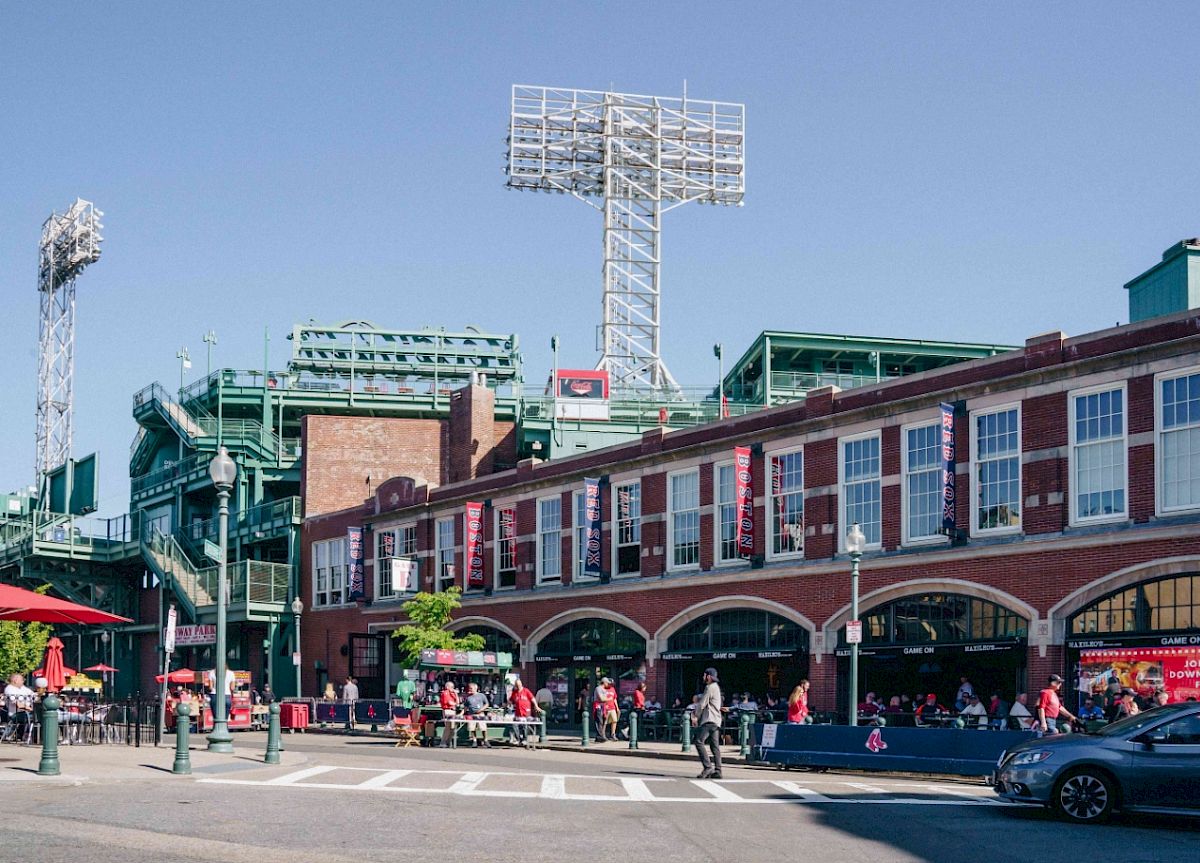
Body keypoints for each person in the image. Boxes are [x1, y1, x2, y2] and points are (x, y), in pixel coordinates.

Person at [693, 667, 724, 779]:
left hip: (709, 719)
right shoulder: (717, 688)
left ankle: (707, 767)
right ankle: (718, 770)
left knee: (698, 741)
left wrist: (695, 716)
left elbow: (702, 703)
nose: (703, 677)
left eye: (704, 675)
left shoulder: (709, 687)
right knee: (714, 746)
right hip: (716, 720)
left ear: (709, 677)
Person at [509, 678, 543, 748]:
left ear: (521, 684)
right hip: (518, 713)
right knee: (514, 725)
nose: (518, 686)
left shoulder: (526, 691)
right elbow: (511, 700)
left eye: (519, 685)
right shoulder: (515, 692)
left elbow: (532, 698)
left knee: (525, 726)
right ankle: (519, 739)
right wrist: (508, 703)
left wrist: (536, 706)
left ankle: (524, 739)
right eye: (517, 685)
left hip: (526, 713)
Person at [4, 674, 35, 738]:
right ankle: (34, 737)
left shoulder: (22, 688)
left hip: (26, 712)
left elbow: (34, 695)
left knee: (40, 715)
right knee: (38, 717)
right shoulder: (9, 689)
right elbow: (18, 704)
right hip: (15, 714)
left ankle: (37, 737)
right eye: (22, 680)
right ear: (15, 680)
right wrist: (30, 709)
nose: (23, 681)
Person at [463, 682, 491, 748]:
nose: (470, 689)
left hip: (480, 714)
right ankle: (474, 741)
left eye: (471, 688)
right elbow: (465, 707)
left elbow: (487, 704)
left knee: (483, 728)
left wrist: (481, 709)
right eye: (469, 688)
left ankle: (485, 740)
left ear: (475, 688)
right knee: (472, 728)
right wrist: (461, 713)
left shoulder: (481, 695)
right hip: (471, 714)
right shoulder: (468, 698)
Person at [438, 680, 460, 747]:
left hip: (453, 711)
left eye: (453, 687)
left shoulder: (453, 694)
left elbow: (458, 703)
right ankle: (443, 742)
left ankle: (448, 742)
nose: (453, 688)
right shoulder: (445, 693)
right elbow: (450, 703)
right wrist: (456, 704)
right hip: (447, 710)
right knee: (447, 727)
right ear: (447, 687)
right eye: (451, 687)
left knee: (452, 728)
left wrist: (456, 694)